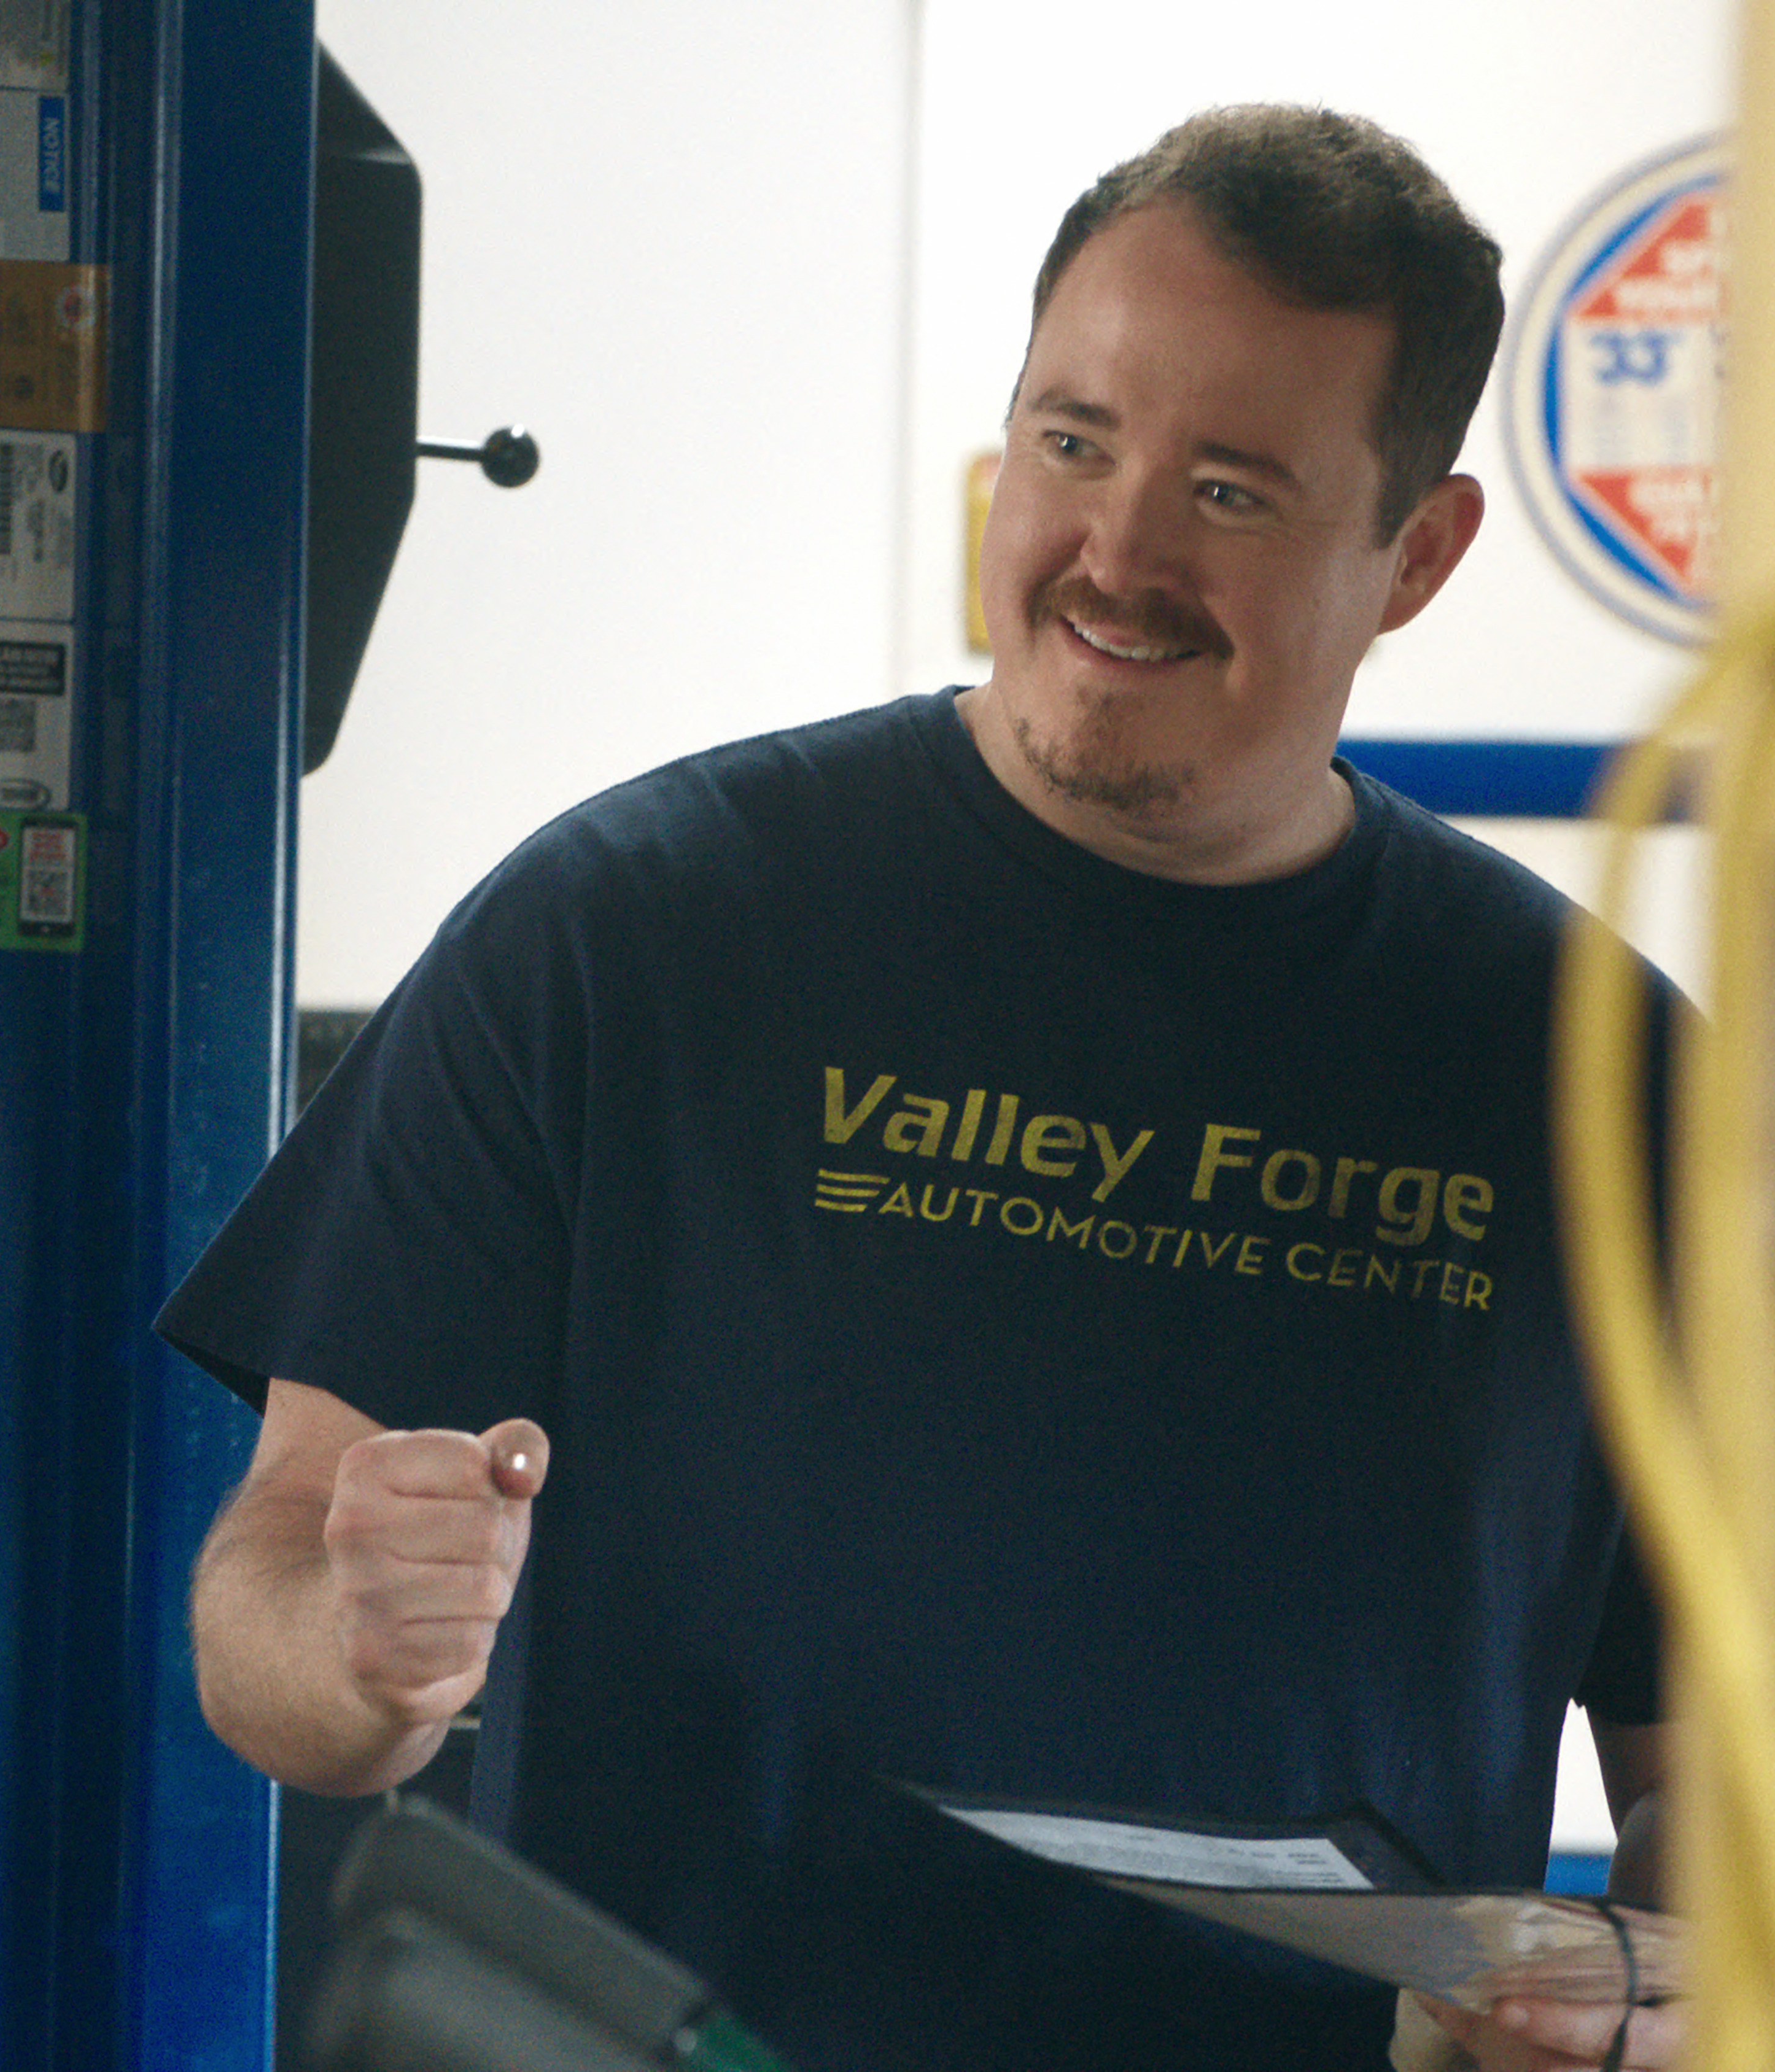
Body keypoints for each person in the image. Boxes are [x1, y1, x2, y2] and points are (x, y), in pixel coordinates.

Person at [167, 106, 1681, 2072]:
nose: (1116, 553)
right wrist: (364, 1650)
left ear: (1418, 553)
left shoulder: (1604, 1089)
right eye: (1073, 443)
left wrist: (1647, 1999)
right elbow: (266, 1600)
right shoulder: (623, 943)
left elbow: (1724, 1777)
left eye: (1230, 489)